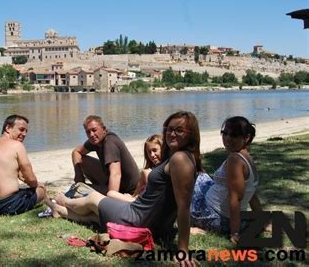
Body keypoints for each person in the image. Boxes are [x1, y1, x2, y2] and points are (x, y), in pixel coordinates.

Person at [47, 111, 202, 259]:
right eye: (169, 129)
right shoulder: (181, 157)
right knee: (95, 217)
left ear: (191, 133)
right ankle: (60, 210)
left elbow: (183, 206)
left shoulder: (180, 159)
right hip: (151, 223)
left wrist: (183, 250)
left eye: (179, 130)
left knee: (93, 198)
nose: (172, 133)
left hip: (137, 219)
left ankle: (64, 201)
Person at [190, 116, 263, 244]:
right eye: (225, 133)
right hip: (222, 213)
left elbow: (235, 199)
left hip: (213, 216)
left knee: (184, 179)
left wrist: (234, 233)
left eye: (234, 134)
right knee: (200, 174)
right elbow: (252, 194)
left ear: (246, 138)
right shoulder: (246, 157)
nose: (228, 138)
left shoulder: (235, 160)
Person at [0, 114, 46, 216]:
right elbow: (31, 180)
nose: (24, 134)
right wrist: (37, 185)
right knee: (41, 189)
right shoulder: (17, 146)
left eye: (26, 131)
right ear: (8, 128)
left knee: (21, 191)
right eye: (21, 129)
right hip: (8, 205)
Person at [71, 115, 140, 196]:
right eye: (88, 132)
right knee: (81, 161)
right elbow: (76, 152)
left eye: (94, 130)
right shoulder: (95, 140)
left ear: (104, 129)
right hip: (111, 181)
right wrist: (78, 175)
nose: (91, 135)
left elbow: (116, 174)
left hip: (126, 191)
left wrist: (110, 200)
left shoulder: (110, 143)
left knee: (79, 189)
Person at [107, 134, 163, 202]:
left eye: (154, 150)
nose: (152, 155)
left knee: (111, 193)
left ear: (163, 148)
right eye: (149, 152)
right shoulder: (168, 166)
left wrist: (132, 198)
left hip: (142, 204)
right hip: (144, 201)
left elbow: (139, 192)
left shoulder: (147, 173)